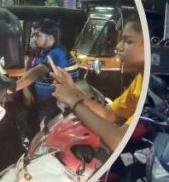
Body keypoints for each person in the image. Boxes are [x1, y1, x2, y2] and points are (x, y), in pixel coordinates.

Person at [49, 15, 146, 150]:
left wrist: (73, 101)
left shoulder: (152, 88)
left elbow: (118, 140)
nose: (118, 47)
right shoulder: (140, 80)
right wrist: (73, 91)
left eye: (128, 41)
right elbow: (109, 114)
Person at [15, 18, 80, 121]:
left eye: (38, 35)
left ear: (50, 37)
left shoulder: (58, 53)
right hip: (43, 106)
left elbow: (36, 73)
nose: (34, 38)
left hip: (57, 108)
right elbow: (30, 74)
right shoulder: (42, 53)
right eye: (33, 35)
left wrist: (11, 88)